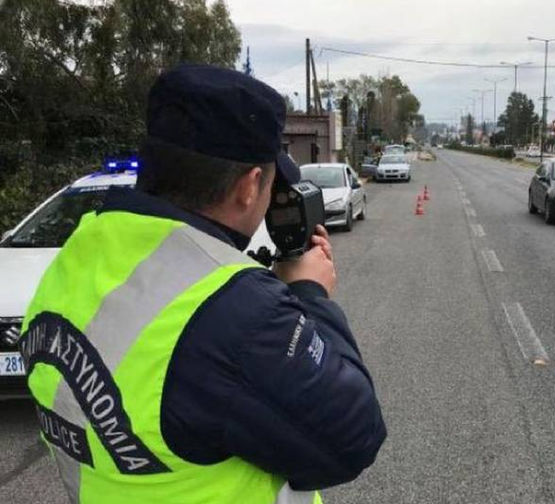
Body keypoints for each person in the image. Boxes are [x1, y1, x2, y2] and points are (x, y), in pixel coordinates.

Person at [19, 64, 386, 503]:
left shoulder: (76, 257)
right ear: (250, 187)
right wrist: (309, 295)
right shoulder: (241, 317)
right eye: (272, 183)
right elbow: (356, 436)